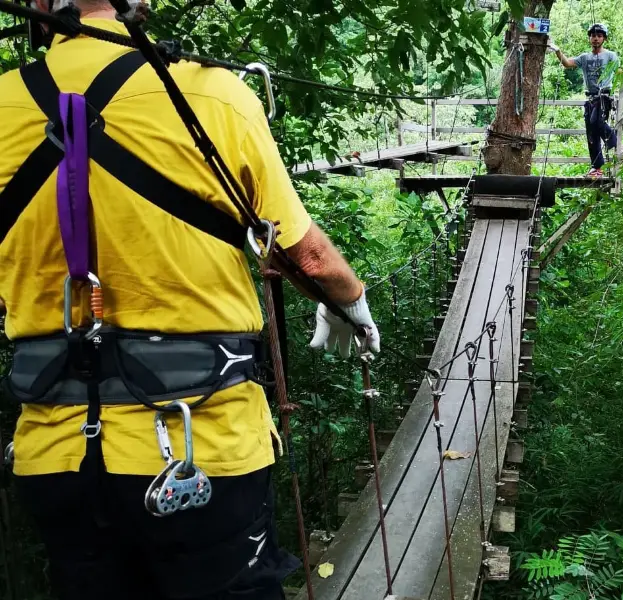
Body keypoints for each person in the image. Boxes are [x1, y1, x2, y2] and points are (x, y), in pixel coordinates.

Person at [0, 0, 379, 598]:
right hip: (201, 448)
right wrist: (348, 301)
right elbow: (305, 256)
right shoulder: (213, 94)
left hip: (54, 453)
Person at [549, 23, 620, 177]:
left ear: (604, 39)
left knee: (596, 122)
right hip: (590, 98)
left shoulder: (611, 56)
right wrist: (557, 50)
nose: (596, 39)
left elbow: (619, 74)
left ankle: (617, 145)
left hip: (604, 96)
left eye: (599, 36)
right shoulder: (584, 57)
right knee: (591, 134)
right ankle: (596, 168)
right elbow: (567, 64)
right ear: (589, 38)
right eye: (593, 36)